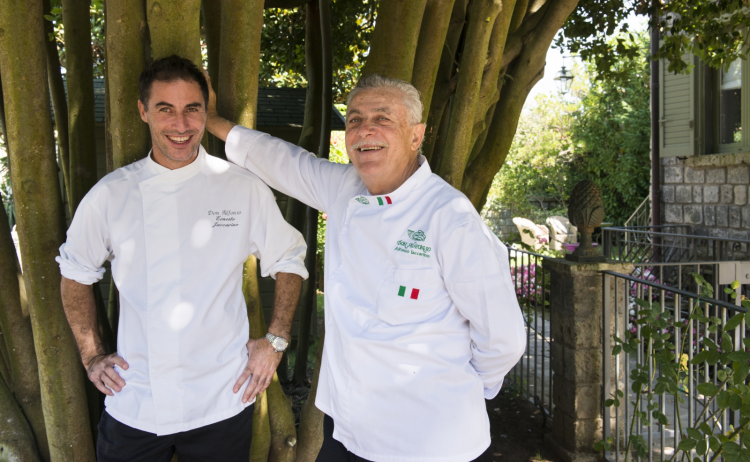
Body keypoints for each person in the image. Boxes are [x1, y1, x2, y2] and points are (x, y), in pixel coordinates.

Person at [205, 73, 526, 462]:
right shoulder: (345, 187)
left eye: (382, 118)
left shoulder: (450, 217)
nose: (364, 130)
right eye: (354, 119)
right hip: (348, 430)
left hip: (431, 441)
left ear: (415, 135)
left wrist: (459, 385)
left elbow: (503, 338)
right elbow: (282, 161)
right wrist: (210, 120)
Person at [57, 55, 308, 462]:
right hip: (135, 398)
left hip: (223, 398)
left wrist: (276, 340)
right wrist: (92, 355)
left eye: (192, 109)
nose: (181, 124)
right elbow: (74, 272)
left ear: (205, 113)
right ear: (143, 112)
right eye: (165, 109)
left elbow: (290, 258)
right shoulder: (111, 194)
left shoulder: (240, 187)